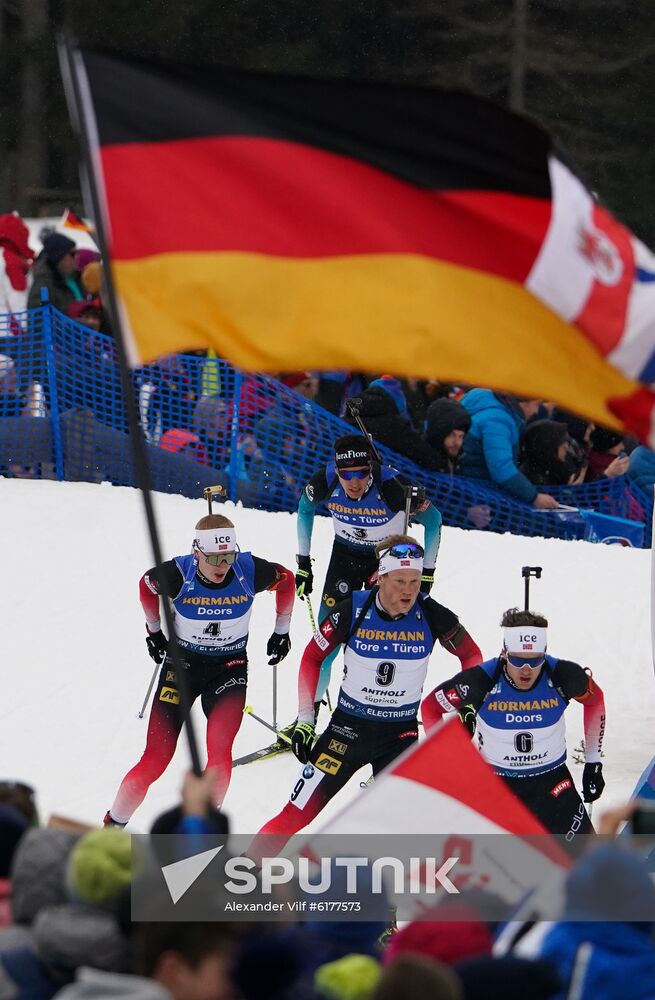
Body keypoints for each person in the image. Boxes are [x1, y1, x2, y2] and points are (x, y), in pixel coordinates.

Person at [252, 535, 481, 845]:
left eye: (415, 580)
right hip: (347, 730)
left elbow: (471, 655)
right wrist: (307, 719)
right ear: (381, 577)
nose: (409, 589)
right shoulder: (352, 610)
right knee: (294, 815)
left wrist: (467, 704)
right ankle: (240, 876)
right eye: (399, 580)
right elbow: (312, 657)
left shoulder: (431, 613)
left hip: (399, 737)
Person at [103, 513, 294, 827]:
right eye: (214, 558)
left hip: (229, 668)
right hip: (183, 666)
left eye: (228, 556)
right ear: (196, 553)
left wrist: (281, 631)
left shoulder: (248, 569)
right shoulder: (178, 573)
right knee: (155, 759)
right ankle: (111, 827)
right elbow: (145, 586)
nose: (222, 566)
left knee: (219, 756)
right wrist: (153, 632)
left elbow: (287, 580)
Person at [292, 434, 443, 721]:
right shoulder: (326, 479)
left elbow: (434, 521)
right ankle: (306, 718)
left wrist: (427, 573)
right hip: (344, 560)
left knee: (377, 639)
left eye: (361, 473)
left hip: (385, 564)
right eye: (346, 474)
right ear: (337, 471)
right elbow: (304, 508)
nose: (354, 481)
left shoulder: (393, 486)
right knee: (327, 642)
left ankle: (378, 711)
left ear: (371, 469)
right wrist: (303, 562)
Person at [421, 607, 606, 840]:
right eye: (518, 660)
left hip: (552, 783)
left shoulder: (563, 676)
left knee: (592, 865)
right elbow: (430, 709)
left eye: (535, 660)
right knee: (501, 870)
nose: (526, 670)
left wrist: (593, 762)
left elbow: (595, 701)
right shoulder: (481, 681)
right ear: (505, 652)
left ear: (545, 652)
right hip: (498, 787)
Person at [460, 389, 560, 508]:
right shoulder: (498, 421)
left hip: (468, 487)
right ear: (524, 403)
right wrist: (534, 497)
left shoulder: (490, 403)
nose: (536, 411)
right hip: (474, 493)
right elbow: (501, 468)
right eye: (536, 405)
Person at [27, 232, 83, 314]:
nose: (77, 256)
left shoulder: (76, 278)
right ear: (59, 257)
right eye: (72, 254)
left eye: (77, 253)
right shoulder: (44, 283)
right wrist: (81, 322)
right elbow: (38, 320)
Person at [424, 398, 471, 474]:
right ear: (438, 434)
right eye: (452, 435)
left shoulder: (458, 461)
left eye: (461, 436)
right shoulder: (421, 465)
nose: (458, 443)